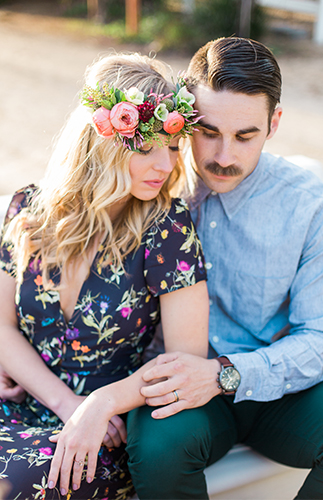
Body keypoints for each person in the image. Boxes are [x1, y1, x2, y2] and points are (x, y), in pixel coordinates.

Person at [0, 53, 209, 499]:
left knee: (13, 487)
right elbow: (1, 326)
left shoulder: (167, 228)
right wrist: (65, 403)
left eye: (172, 148)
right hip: (24, 400)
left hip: (105, 426)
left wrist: (94, 407)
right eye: (147, 147)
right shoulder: (26, 210)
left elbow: (184, 363)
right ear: (103, 140)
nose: (165, 166)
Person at [126, 37, 323, 500]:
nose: (223, 156)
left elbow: (318, 336)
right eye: (208, 131)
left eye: (245, 136)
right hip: (180, 390)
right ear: (184, 120)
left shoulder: (309, 205)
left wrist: (223, 374)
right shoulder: (151, 185)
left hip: (282, 393)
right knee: (158, 453)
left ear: (274, 124)